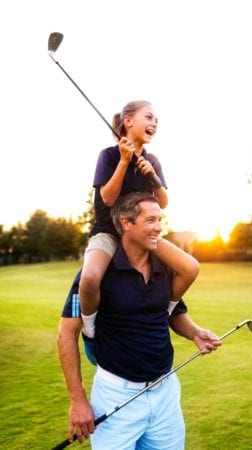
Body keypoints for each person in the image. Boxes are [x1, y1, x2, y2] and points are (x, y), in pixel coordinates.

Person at [57, 192, 221, 450]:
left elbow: (174, 313)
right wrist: (77, 401)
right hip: (115, 395)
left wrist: (195, 332)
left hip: (165, 394)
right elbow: (66, 333)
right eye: (151, 220)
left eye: (160, 219)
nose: (159, 227)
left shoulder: (165, 267)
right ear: (126, 223)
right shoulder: (97, 272)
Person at [79, 100, 170, 340]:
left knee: (189, 268)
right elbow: (108, 199)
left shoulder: (154, 161)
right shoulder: (109, 156)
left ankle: (168, 312)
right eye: (149, 117)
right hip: (109, 232)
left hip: (141, 235)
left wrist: (152, 176)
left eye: (156, 121)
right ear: (128, 121)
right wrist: (123, 161)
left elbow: (163, 202)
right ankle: (89, 328)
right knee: (89, 278)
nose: (154, 123)